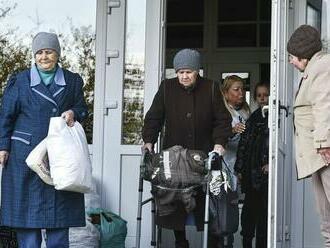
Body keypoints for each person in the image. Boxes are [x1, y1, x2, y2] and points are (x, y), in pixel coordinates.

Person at [0, 32, 88, 247]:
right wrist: (3, 146)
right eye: (39, 52)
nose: (44, 57)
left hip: (60, 157)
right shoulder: (20, 81)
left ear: (57, 54)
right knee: (27, 221)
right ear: (34, 55)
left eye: (48, 52)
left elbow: (82, 109)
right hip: (26, 157)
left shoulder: (72, 80)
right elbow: (5, 115)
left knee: (59, 218)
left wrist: (73, 113)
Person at [142, 48, 232, 248]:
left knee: (207, 202)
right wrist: (148, 140)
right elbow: (154, 117)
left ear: (197, 71)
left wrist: (219, 143)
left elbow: (222, 120)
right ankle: (180, 241)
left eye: (188, 72)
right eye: (180, 72)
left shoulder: (210, 87)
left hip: (204, 154)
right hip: (175, 156)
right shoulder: (167, 88)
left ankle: (213, 242)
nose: (184, 76)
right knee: (175, 200)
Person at [287, 24, 330, 247]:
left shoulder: (322, 67)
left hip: (324, 152)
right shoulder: (313, 69)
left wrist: (323, 143)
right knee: (325, 214)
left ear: (304, 54)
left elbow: (325, 105)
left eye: (292, 56)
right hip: (317, 155)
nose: (291, 61)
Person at [215, 75, 250, 248]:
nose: (241, 93)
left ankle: (229, 242)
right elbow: (215, 138)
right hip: (222, 169)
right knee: (221, 212)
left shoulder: (244, 112)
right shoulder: (222, 112)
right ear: (226, 93)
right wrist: (232, 130)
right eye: (236, 89)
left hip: (237, 169)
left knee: (232, 211)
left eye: (242, 89)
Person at [234, 82, 270, 248]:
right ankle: (246, 244)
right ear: (255, 98)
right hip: (250, 174)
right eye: (259, 95)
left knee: (264, 216)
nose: (263, 98)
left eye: (266, 94)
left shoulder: (275, 118)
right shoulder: (253, 118)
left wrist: (270, 163)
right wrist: (239, 169)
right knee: (248, 214)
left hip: (265, 176)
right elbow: (243, 145)